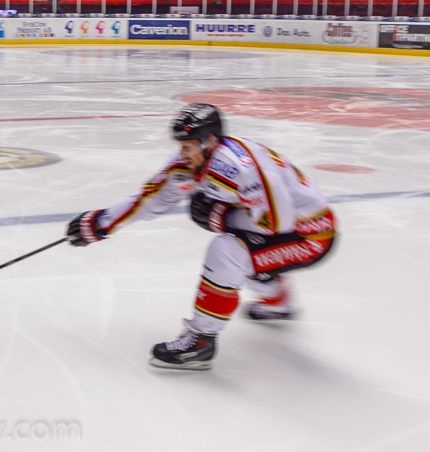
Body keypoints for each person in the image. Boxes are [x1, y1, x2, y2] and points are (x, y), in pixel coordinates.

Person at [67, 104, 336, 370]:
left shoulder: (240, 168)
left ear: (209, 141)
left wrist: (223, 217)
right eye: (180, 146)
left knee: (227, 251)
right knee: (243, 247)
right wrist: (101, 223)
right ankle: (278, 302)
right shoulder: (192, 162)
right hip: (285, 230)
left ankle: (201, 341)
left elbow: (277, 222)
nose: (181, 154)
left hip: (312, 237)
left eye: (187, 147)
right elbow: (151, 199)